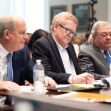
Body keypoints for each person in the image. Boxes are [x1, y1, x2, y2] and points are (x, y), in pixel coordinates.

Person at [32, 12, 94, 84]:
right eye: (68, 30)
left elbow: (77, 71)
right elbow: (44, 73)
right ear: (55, 27)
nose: (70, 35)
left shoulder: (70, 46)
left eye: (73, 33)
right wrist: (71, 78)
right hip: (58, 91)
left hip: (78, 87)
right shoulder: (42, 44)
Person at [0, 15, 56, 93]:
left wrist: (44, 78)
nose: (26, 37)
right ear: (7, 34)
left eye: (25, 32)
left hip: (16, 102)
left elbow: (32, 72)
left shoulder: (22, 51)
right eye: (22, 33)